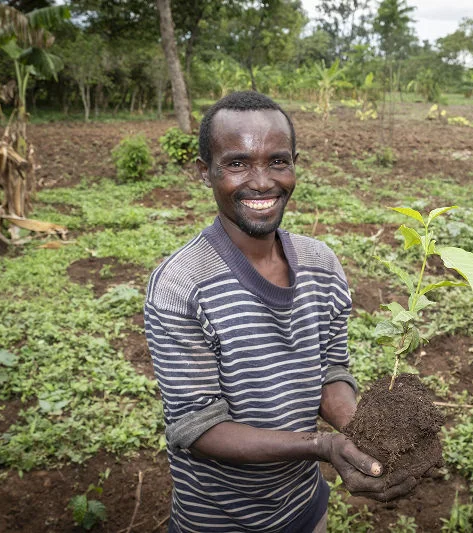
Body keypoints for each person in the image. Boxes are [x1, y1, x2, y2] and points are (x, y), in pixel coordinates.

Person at [144, 91, 418, 533]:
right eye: (237, 163)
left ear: (294, 164)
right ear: (204, 171)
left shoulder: (321, 263)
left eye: (277, 161)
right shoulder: (180, 285)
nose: (262, 181)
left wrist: (364, 434)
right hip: (219, 521)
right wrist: (323, 446)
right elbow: (198, 428)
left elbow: (330, 370)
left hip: (306, 509)